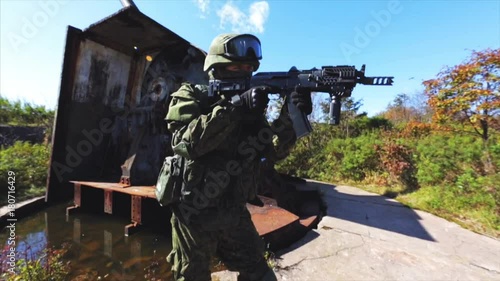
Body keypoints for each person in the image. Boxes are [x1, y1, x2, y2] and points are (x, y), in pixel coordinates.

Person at [164, 33, 312, 281]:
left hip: (234, 212)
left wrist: (288, 117)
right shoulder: (191, 94)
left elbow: (273, 151)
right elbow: (185, 144)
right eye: (236, 66)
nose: (244, 71)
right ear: (216, 66)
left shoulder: (251, 112)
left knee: (261, 274)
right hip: (194, 213)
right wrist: (233, 107)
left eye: (248, 67)